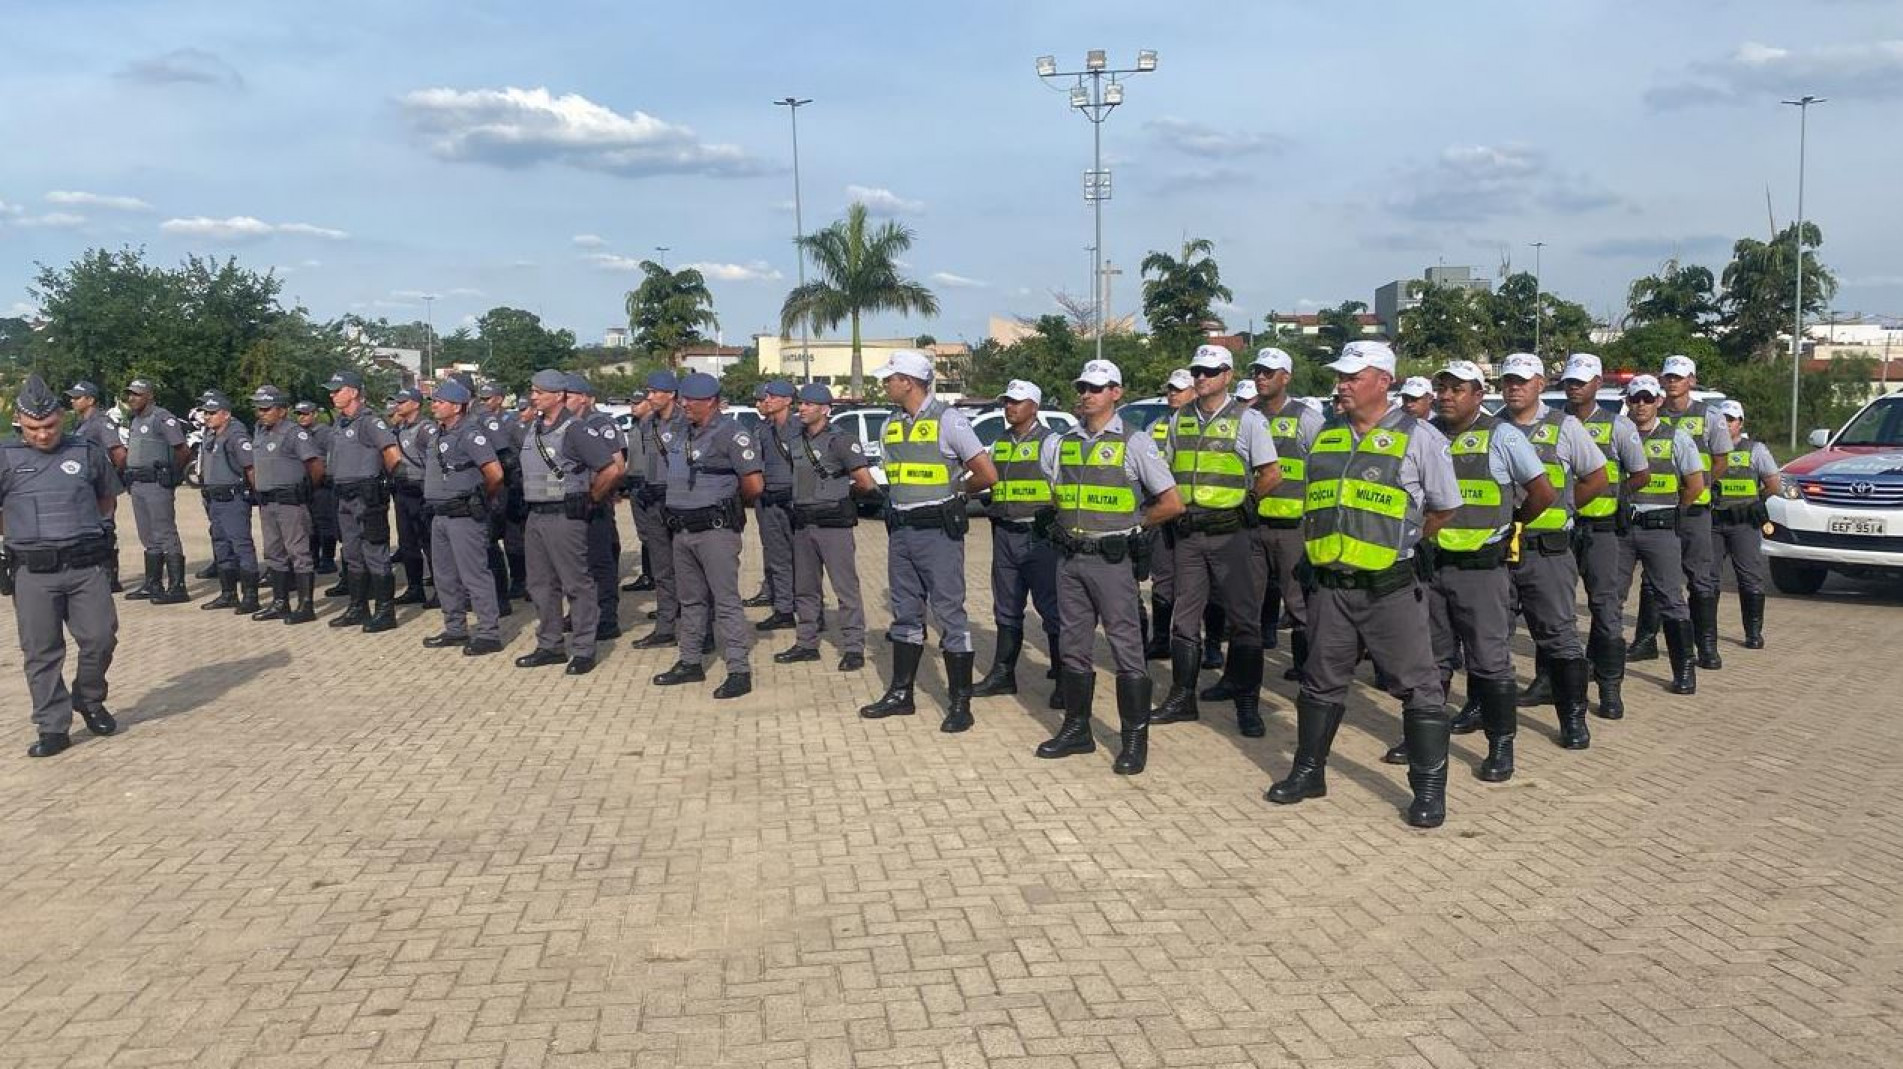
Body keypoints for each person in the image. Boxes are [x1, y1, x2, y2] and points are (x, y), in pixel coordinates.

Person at [1265, 341, 1461, 828]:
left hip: (1390, 588)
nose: (1343, 384)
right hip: (1331, 586)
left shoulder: (1421, 438)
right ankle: (1309, 772)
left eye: (1354, 376)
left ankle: (1429, 791)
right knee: (1320, 681)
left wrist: (1406, 545)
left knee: (1419, 687)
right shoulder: (1327, 435)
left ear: (1384, 381)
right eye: (1341, 376)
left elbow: (1444, 506)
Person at [1379, 360, 1554, 784]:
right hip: (1430, 567)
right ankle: (1423, 739)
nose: (1446, 396)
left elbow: (1543, 492)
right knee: (1428, 662)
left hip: (1480, 570)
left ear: (1479, 394)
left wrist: (1509, 526)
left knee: (1490, 661)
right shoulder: (1423, 434)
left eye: (1458, 389)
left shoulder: (1503, 436)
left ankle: (1500, 745)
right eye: (1442, 388)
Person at [1035, 359, 1183, 774]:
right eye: (1083, 386)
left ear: (1116, 393)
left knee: (1126, 649)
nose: (1087, 394)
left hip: (1112, 562)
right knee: (1073, 646)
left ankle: (1134, 741)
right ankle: (1077, 730)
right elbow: (1057, 495)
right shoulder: (1061, 443)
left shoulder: (1136, 443)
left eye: (1097, 388)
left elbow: (1171, 503)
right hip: (1070, 559)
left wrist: (1134, 526)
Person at [858, 350, 998, 730]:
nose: (884, 383)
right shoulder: (890, 424)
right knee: (905, 613)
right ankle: (901, 694)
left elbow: (986, 473)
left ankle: (959, 703)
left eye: (890, 378)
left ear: (910, 381)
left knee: (949, 613)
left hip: (937, 531)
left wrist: (957, 493)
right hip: (901, 531)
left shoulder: (948, 420)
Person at [1150, 344, 1282, 739]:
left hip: (1232, 535)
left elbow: (1271, 473)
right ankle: (1182, 697)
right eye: (1197, 372)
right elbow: (1166, 469)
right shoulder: (1179, 420)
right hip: (1189, 534)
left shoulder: (1248, 420)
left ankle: (1247, 703)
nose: (1202, 378)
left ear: (1227, 375)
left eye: (1210, 372)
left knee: (1244, 621)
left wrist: (1246, 503)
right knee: (1184, 619)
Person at [1, 376, 122, 757]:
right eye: (34, 428)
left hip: (85, 566)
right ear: (20, 421)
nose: (42, 435)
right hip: (33, 572)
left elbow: (106, 499)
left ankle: (88, 698)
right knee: (42, 651)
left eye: (50, 426)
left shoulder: (85, 450)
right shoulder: (4, 456)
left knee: (101, 638)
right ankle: (52, 726)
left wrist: (91, 530)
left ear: (61, 418)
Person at [1497, 353, 1608, 752]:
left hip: (1546, 552)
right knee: (1491, 638)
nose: (1514, 387)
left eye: (1522, 381)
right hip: (1499, 554)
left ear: (1541, 384)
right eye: (1508, 380)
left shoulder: (1565, 427)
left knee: (1560, 638)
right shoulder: (1492, 427)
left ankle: (1573, 718)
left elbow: (1597, 477)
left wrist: (1565, 507)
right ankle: (1482, 708)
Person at [651, 372, 764, 699]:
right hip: (682, 530)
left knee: (726, 601)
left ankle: (738, 669)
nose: (685, 404)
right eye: (683, 399)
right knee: (690, 601)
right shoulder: (679, 431)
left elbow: (754, 485)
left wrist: (726, 505)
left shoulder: (731, 433)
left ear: (711, 401)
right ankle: (690, 662)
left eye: (692, 400)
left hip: (715, 530)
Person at [514, 369, 625, 675]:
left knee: (576, 583)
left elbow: (611, 469)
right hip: (536, 514)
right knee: (540, 584)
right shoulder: (535, 427)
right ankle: (549, 645)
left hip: (565, 515)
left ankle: (584, 649)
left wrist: (591, 498)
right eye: (532, 391)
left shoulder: (575, 430)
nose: (533, 396)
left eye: (539, 391)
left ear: (558, 395)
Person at [1560, 354, 1650, 719]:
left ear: (1598, 383)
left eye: (1582, 380)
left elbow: (1640, 474)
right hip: (1556, 531)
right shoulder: (1554, 424)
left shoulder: (1618, 427)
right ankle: (1547, 681)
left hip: (1601, 531)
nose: (1574, 386)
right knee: (1553, 610)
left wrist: (1614, 497)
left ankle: (1609, 686)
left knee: (1606, 606)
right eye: (1569, 380)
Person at [773, 383, 877, 671]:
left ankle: (854, 647)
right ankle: (806, 643)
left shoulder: (841, 440)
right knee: (805, 588)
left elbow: (866, 482)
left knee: (845, 589)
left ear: (825, 409)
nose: (802, 408)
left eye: (808, 404)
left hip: (833, 525)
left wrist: (838, 495)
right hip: (804, 523)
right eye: (801, 404)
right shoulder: (797, 441)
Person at [972, 380, 1063, 707]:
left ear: (1035, 407)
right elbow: (986, 479)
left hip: (1039, 538)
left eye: (1018, 402)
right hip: (1005, 534)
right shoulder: (1000, 442)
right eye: (1007, 401)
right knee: (1006, 606)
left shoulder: (1051, 443)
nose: (1010, 407)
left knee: (1051, 607)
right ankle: (1003, 674)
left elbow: (1061, 490)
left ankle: (1064, 677)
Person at [1619, 375, 1706, 695]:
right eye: (1634, 398)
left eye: (1647, 398)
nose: (1640, 404)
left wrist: (1672, 512)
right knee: (1611, 600)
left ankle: (1684, 671)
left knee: (1671, 599)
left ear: (1658, 401)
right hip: (1622, 529)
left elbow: (1695, 485)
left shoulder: (1676, 438)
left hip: (1660, 529)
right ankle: (1606, 669)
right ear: (1627, 401)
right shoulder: (1617, 433)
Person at [1245, 348, 1325, 683]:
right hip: (1252, 526)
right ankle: (1243, 680)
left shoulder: (1308, 420)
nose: (1261, 377)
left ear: (1286, 377)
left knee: (1299, 605)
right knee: (1246, 604)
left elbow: (1323, 474)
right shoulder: (1246, 416)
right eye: (1257, 372)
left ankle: (1308, 672)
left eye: (1269, 372)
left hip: (1293, 529)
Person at [1652, 354, 1732, 671]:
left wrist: (1698, 487)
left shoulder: (1709, 416)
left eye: (1678, 376)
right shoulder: (1650, 411)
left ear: (1691, 381)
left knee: (1701, 579)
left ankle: (1707, 644)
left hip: (1693, 510)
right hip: (1657, 509)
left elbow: (1721, 459)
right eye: (1668, 376)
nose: (1672, 381)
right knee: (1654, 580)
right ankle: (1647, 638)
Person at [419, 378, 506, 655]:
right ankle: (455, 628)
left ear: (457, 407)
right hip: (441, 515)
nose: (434, 406)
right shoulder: (439, 433)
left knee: (474, 575)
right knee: (444, 576)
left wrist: (480, 499)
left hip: (464, 515)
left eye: (440, 402)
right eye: (434, 401)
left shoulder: (470, 433)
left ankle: (488, 633)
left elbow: (495, 473)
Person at [322, 370, 403, 632]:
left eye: (337, 389)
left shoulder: (370, 422)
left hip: (367, 497)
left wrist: (380, 483)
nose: (332, 394)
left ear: (354, 392)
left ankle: (384, 611)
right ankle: (358, 607)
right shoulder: (340, 423)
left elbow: (393, 455)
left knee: (376, 552)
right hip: (344, 495)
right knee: (352, 553)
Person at [249, 386, 324, 625]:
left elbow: (315, 465)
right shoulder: (260, 432)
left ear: (282, 411)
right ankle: (280, 602)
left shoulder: (294, 433)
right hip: (267, 501)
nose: (262, 413)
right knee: (273, 552)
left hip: (290, 502)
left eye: (267, 408)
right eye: (259, 408)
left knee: (298, 552)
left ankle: (305, 605)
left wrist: (306, 489)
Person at [1712, 399, 1779, 650]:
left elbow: (1774, 484)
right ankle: (1706, 632)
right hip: (1714, 521)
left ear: (1740, 423)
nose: (1725, 425)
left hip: (1744, 523)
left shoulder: (1755, 449)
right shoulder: (1708, 449)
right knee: (1708, 579)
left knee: (1750, 578)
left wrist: (1756, 502)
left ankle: (1753, 632)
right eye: (1721, 420)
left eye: (1730, 420)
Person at [118, 378, 192, 603]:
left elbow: (182, 450)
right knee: (147, 535)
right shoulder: (135, 419)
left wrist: (173, 474)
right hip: (139, 484)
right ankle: (153, 583)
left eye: (137, 394)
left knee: (165, 533)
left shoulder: (161, 418)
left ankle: (178, 587)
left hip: (157, 483)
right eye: (129, 394)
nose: (131, 398)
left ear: (149, 396)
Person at [563, 375, 623, 639]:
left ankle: (607, 618)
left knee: (600, 563)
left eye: (569, 396)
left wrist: (594, 496)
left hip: (595, 503)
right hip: (571, 505)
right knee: (576, 564)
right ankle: (579, 613)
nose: (564, 401)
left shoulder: (599, 424)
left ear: (585, 398)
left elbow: (617, 466)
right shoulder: (566, 425)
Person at [630, 371, 686, 648]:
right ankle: (665, 627)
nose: (649, 397)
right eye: (648, 392)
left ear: (671, 394)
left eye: (655, 392)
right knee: (662, 569)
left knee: (691, 569)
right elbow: (648, 463)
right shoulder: (647, 424)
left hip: (683, 503)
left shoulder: (687, 421)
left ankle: (701, 627)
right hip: (655, 501)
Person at [1143, 367, 1197, 661]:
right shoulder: (1155, 426)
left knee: (1197, 584)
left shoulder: (1201, 426)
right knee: (1163, 579)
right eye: (1170, 389)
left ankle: (1206, 645)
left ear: (1195, 392)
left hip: (1193, 516)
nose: (1172, 394)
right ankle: (1161, 639)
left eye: (1179, 389)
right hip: (1164, 514)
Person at [194, 393, 260, 614]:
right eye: (206, 413)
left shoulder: (236, 436)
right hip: (215, 500)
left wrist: (257, 494)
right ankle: (228, 593)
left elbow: (250, 468)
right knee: (221, 546)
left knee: (241, 546)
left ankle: (250, 596)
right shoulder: (212, 435)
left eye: (212, 413)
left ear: (226, 414)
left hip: (233, 499)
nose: (207, 417)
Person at [65, 382, 127, 592]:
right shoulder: (80, 423)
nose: (72, 400)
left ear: (90, 399)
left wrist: (113, 479)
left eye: (77, 397)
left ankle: (111, 578)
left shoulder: (101, 422)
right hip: (84, 487)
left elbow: (118, 453)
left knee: (105, 528)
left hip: (100, 487)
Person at [748, 380, 799, 631]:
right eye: (765, 396)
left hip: (795, 501)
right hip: (770, 500)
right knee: (777, 558)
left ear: (788, 400)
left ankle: (813, 611)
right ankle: (784, 610)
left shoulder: (800, 427)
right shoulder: (763, 428)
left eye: (772, 396)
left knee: (803, 560)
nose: (766, 400)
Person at [478, 383, 529, 604]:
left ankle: (520, 580)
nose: (484, 402)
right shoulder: (481, 422)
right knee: (491, 535)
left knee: (514, 537)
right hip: (493, 484)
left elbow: (521, 455)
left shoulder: (513, 424)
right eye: (482, 398)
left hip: (512, 486)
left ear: (499, 399)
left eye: (488, 398)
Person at [388, 388, 434, 605]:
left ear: (416, 404)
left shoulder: (426, 429)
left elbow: (435, 462)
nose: (398, 405)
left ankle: (441, 590)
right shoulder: (398, 429)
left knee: (430, 542)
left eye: (403, 401)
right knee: (407, 542)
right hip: (403, 491)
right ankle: (415, 587)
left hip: (422, 491)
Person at [296, 402, 340, 576]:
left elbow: (333, 455)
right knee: (309, 524)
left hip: (323, 484)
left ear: (314, 414)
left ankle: (328, 559)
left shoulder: (324, 433)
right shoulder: (298, 433)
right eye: (299, 413)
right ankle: (313, 557)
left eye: (305, 414)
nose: (302, 417)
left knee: (325, 523)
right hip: (306, 484)